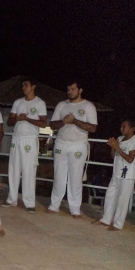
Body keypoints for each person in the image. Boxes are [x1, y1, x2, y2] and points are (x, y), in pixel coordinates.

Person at [46, 80, 98, 218]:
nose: (70, 91)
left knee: (75, 177)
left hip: (78, 145)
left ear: (80, 90)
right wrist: (64, 121)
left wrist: (75, 121)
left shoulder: (88, 106)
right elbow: (52, 125)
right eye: (68, 89)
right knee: (59, 175)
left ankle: (75, 208)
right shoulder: (61, 105)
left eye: (73, 89)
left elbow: (93, 128)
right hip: (61, 144)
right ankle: (54, 205)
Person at [2, 77, 47, 213]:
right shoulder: (18, 102)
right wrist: (16, 118)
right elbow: (9, 121)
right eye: (22, 85)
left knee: (28, 170)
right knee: (13, 169)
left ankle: (29, 202)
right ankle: (12, 199)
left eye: (26, 85)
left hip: (30, 140)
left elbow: (43, 123)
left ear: (33, 87)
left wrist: (27, 118)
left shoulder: (40, 103)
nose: (23, 87)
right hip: (17, 139)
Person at [93, 119, 135, 231]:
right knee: (110, 195)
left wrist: (117, 148)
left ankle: (118, 224)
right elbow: (113, 156)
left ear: (132, 128)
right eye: (121, 126)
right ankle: (106, 219)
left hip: (127, 175)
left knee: (122, 200)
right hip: (116, 173)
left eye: (124, 126)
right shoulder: (120, 139)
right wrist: (112, 147)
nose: (121, 128)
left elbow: (130, 159)